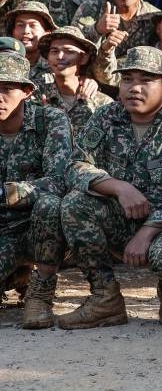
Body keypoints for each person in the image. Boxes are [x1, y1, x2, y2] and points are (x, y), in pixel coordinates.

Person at [58, 46, 162, 330]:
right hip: (122, 217)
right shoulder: (106, 116)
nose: (134, 88)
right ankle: (105, 298)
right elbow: (75, 164)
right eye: (127, 79)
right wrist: (118, 187)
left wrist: (149, 230)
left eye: (146, 80)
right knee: (74, 204)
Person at [0, 52, 73, 329]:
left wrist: (7, 193)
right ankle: (17, 276)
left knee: (50, 204)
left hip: (37, 228)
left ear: (27, 92)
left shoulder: (50, 121)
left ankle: (40, 293)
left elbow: (59, 180)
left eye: (7, 88)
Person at [36, 26, 113, 132]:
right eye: (54, 51)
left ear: (83, 58)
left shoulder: (103, 103)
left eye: (69, 51)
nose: (60, 56)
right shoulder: (35, 97)